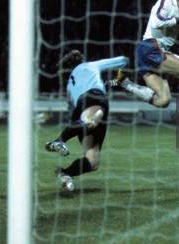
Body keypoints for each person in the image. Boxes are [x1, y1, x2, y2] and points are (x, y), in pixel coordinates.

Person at [44, 50, 128, 192]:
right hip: (94, 97)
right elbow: (122, 59)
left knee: (92, 161)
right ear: (81, 60)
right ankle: (59, 140)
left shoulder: (69, 85)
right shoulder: (90, 65)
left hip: (79, 112)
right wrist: (126, 67)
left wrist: (75, 125)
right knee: (94, 119)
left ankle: (65, 173)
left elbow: (71, 107)